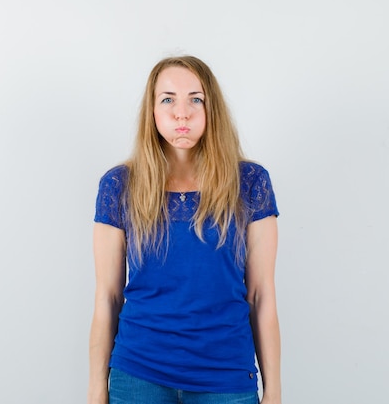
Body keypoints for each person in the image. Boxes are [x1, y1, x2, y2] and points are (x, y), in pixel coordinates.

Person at [88, 56, 281, 404]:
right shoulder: (119, 185)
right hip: (138, 374)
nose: (182, 113)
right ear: (152, 110)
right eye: (168, 99)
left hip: (226, 376)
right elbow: (107, 297)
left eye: (195, 99)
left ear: (211, 110)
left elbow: (261, 295)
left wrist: (275, 391)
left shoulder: (250, 183)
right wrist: (95, 389)